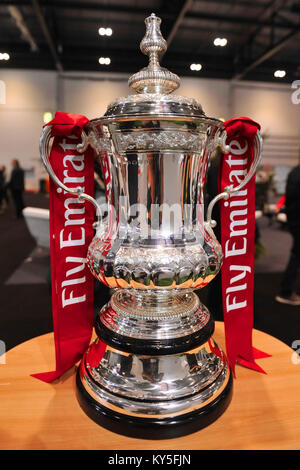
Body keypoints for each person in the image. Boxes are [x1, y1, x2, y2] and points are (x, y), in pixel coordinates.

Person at [275, 164, 300, 306]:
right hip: (297, 221)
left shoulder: (294, 172)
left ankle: (287, 290)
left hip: (294, 220)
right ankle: (285, 292)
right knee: (296, 256)